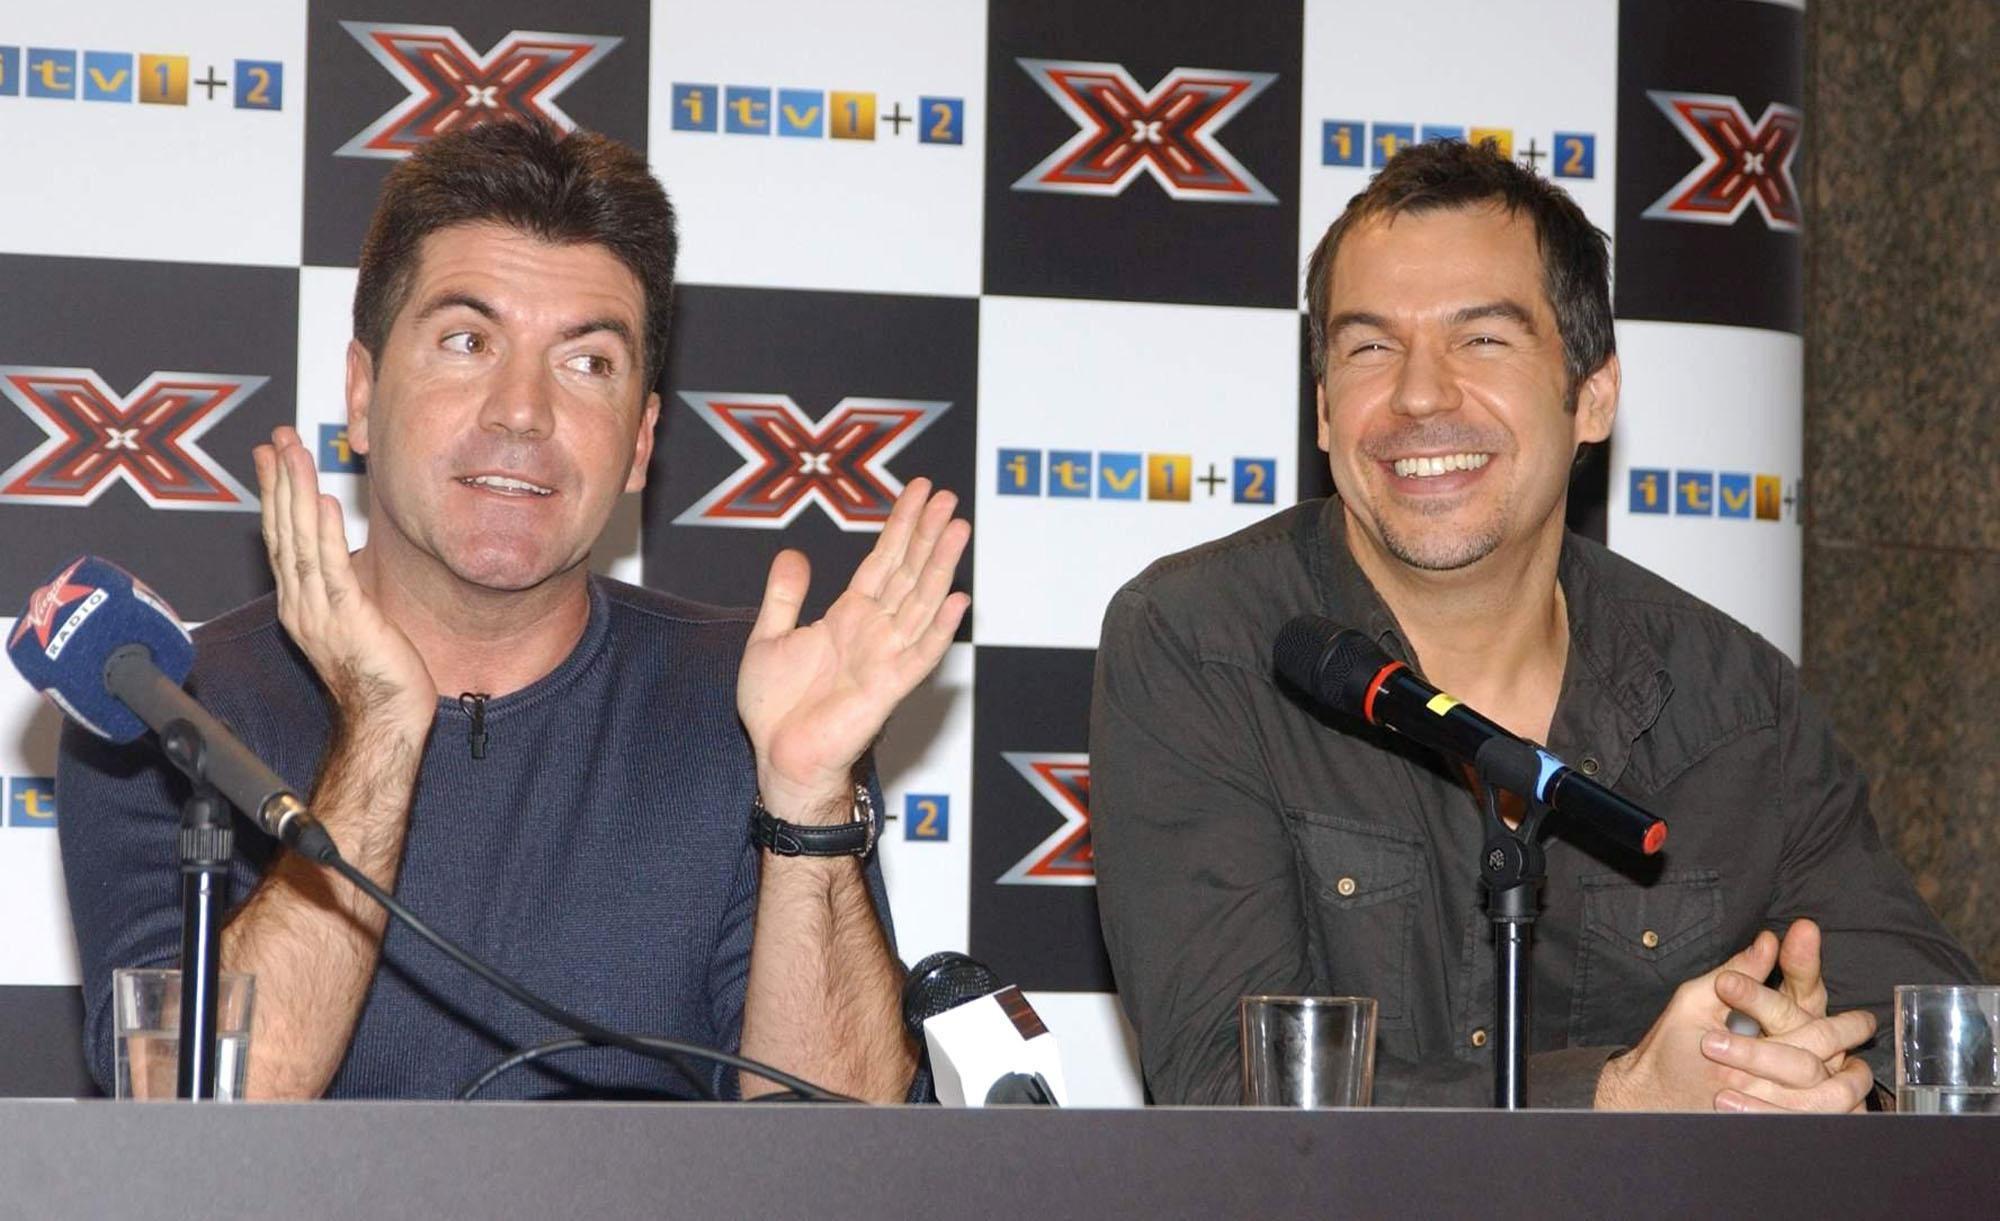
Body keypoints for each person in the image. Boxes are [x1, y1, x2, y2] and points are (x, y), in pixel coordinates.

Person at [58, 120, 969, 1101]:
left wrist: (806, 805)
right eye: (466, 341)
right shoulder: (173, 710)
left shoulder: (747, 707)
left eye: (586, 363)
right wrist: (381, 725)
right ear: (360, 396)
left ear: (639, 442)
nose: (521, 411)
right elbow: (186, 1143)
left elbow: (842, 1170)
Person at [1090, 139, 1980, 1110]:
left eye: (1481, 340)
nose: (1418, 395)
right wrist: (1613, 1101)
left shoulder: (1732, 703)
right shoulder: (1201, 643)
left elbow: (1939, 1046)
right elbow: (1225, 1089)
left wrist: (1838, 1090)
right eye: (1368, 347)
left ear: (1590, 397)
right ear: (1321, 413)